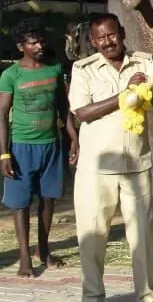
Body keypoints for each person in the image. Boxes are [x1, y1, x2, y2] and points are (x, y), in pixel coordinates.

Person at [70, 13, 153, 302]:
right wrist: (125, 94)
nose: (108, 42)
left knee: (142, 240)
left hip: (137, 165)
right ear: (92, 42)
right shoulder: (83, 69)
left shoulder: (145, 63)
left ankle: (146, 294)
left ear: (122, 32)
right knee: (93, 239)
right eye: (101, 38)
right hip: (96, 170)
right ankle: (93, 296)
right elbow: (82, 113)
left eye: (112, 35)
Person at [0, 18, 78, 277]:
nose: (40, 45)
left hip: (51, 145)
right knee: (20, 204)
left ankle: (43, 252)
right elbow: (2, 115)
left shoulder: (54, 68)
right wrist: (4, 154)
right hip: (21, 148)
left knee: (48, 199)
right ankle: (25, 259)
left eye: (42, 40)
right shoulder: (11, 75)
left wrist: (73, 137)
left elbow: (63, 107)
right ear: (22, 46)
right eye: (34, 42)